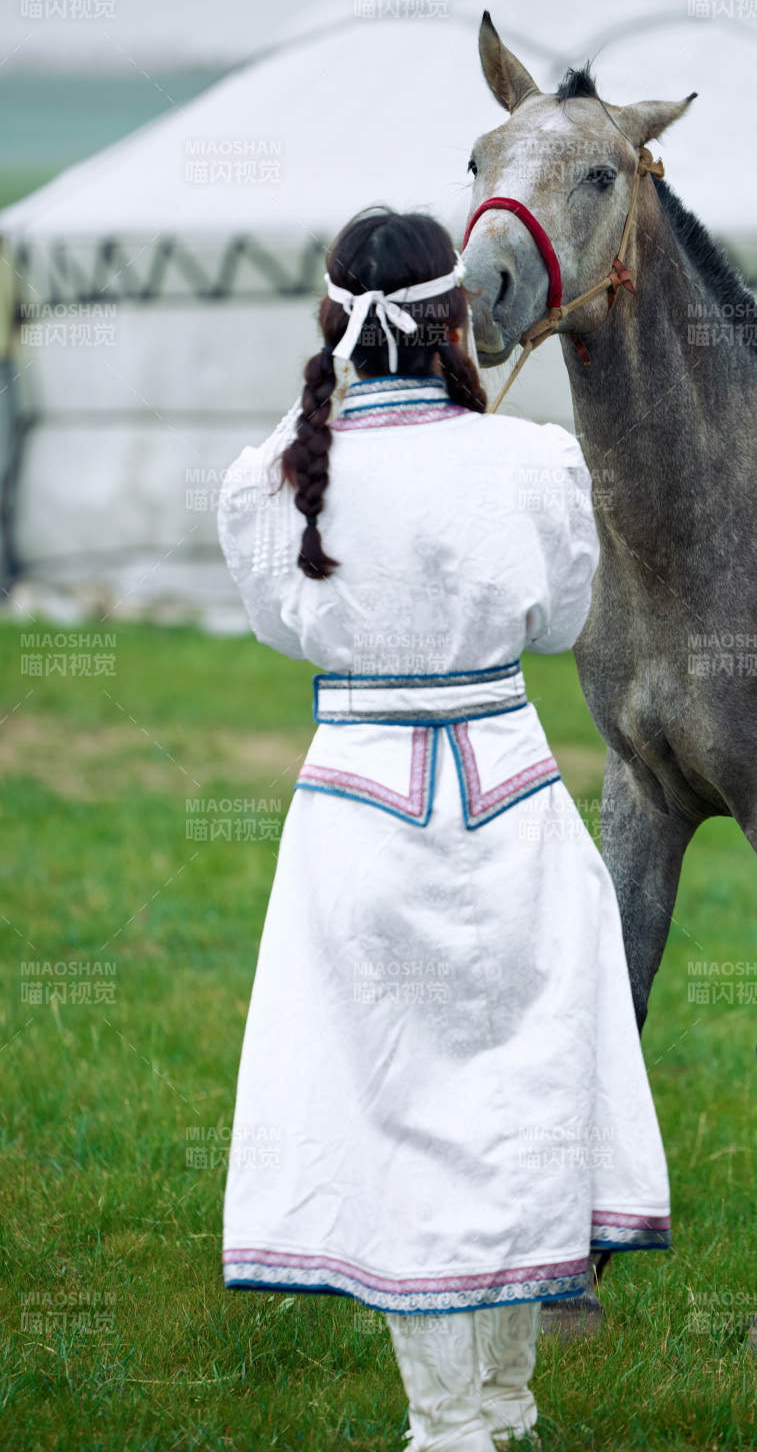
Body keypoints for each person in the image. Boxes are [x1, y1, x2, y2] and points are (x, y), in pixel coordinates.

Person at [216, 205, 670, 1452]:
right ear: (457, 318)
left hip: (356, 823)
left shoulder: (275, 477)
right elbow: (560, 619)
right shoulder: (528, 463)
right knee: (522, 1091)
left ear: (330, 327)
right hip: (508, 805)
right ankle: (487, 1410)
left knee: (399, 1108)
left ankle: (459, 1418)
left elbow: (275, 619)